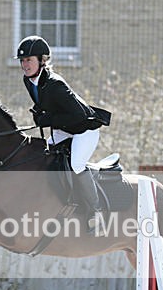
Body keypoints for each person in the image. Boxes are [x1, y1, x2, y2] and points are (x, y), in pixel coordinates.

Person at [15, 35, 111, 232]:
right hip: (64, 129)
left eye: (29, 60)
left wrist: (48, 119)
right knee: (46, 154)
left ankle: (96, 210)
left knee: (76, 164)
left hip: (84, 129)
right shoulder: (29, 80)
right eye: (23, 61)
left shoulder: (55, 84)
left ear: (42, 61)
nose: (25, 65)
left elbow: (77, 115)